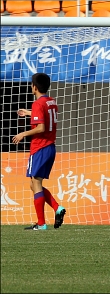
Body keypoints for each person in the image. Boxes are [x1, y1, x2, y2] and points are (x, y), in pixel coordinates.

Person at [12, 73, 66, 231]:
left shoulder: (37, 103)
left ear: (34, 87)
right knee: (34, 184)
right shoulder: (51, 102)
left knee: (35, 183)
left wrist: (23, 134)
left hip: (40, 147)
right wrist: (28, 113)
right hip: (50, 148)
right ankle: (57, 208)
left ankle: (41, 223)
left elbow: (41, 127)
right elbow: (45, 117)